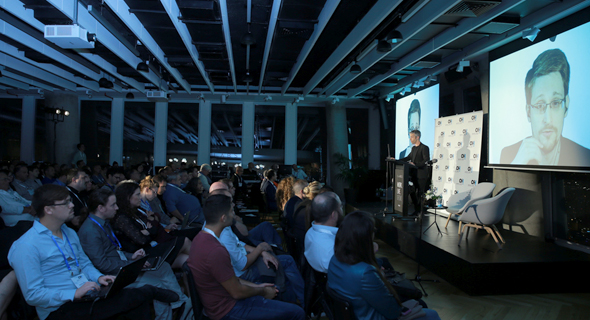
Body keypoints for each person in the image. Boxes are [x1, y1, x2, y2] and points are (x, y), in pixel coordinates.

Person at [8, 184, 179, 320]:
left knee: (135, 300)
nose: (72, 205)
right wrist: (74, 293)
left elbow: (84, 263)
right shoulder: (26, 246)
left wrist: (98, 277)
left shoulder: (68, 232)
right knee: (136, 295)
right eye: (66, 202)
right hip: (60, 308)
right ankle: (159, 294)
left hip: (87, 293)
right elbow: (33, 295)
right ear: (48, 209)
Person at [187, 194, 305, 320]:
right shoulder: (216, 250)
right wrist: (262, 291)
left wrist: (259, 287)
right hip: (228, 310)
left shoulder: (199, 239)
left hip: (221, 302)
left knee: (277, 293)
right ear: (223, 218)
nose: (233, 215)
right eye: (231, 212)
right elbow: (237, 292)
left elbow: (231, 280)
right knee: (297, 313)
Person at [78, 188, 191, 320]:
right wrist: (132, 264)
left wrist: (131, 256)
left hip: (122, 265)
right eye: (113, 205)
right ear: (101, 208)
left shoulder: (103, 223)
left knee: (163, 266)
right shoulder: (90, 231)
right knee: (157, 283)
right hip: (114, 275)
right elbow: (102, 264)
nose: (117, 207)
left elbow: (115, 250)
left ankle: (180, 304)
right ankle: (169, 314)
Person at [327, 211, 440, 320]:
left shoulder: (335, 259)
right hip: (372, 316)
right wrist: (380, 277)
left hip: (355, 314)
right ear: (365, 240)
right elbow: (393, 311)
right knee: (432, 315)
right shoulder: (366, 273)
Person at [500, 49, 590, 166]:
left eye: (556, 103)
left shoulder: (585, 158)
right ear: (528, 112)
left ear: (566, 105)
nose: (548, 119)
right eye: (539, 105)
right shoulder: (510, 155)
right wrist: (516, 164)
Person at [112, 181, 191, 269]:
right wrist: (150, 230)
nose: (139, 198)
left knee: (188, 260)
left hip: (153, 246)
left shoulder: (136, 211)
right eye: (137, 195)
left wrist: (148, 231)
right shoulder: (122, 217)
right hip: (145, 254)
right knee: (185, 241)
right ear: (127, 197)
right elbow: (141, 240)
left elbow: (154, 225)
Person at [303, 192, 343, 273]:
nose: (342, 209)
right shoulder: (331, 247)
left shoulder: (310, 232)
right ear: (334, 215)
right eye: (341, 206)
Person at [399, 130, 430, 214]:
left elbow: (426, 160)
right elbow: (408, 157)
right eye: (410, 137)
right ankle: (417, 209)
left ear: (417, 137)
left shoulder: (424, 148)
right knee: (412, 191)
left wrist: (415, 164)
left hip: (421, 174)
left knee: (420, 193)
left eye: (412, 137)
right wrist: (397, 160)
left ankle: (419, 211)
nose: (410, 139)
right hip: (414, 174)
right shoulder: (413, 148)